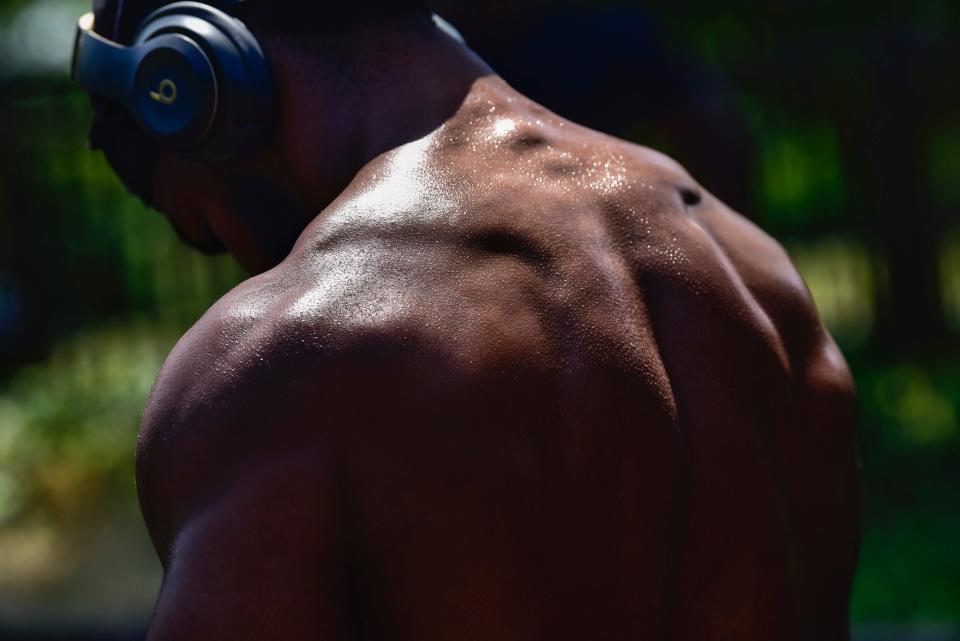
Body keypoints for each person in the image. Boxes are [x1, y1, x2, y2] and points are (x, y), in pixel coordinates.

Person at [81, 1, 861, 639]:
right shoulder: (760, 283)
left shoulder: (282, 364)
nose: (247, 260)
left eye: (204, 230)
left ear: (197, 86)